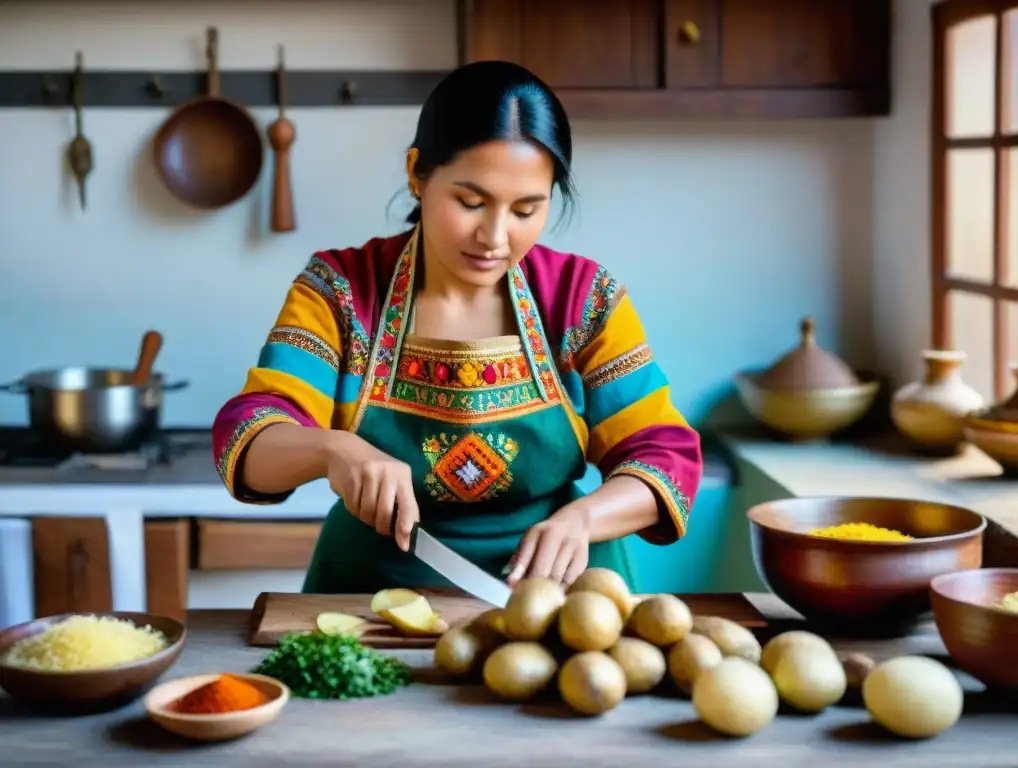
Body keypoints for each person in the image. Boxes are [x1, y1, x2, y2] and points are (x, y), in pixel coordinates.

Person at [212, 60, 703, 594]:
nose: (495, 236)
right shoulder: (342, 291)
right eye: (471, 202)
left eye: (525, 210)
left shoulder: (584, 299)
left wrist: (585, 519)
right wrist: (333, 451)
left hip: (560, 594)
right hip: (372, 594)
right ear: (417, 173)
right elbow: (251, 436)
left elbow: (663, 454)